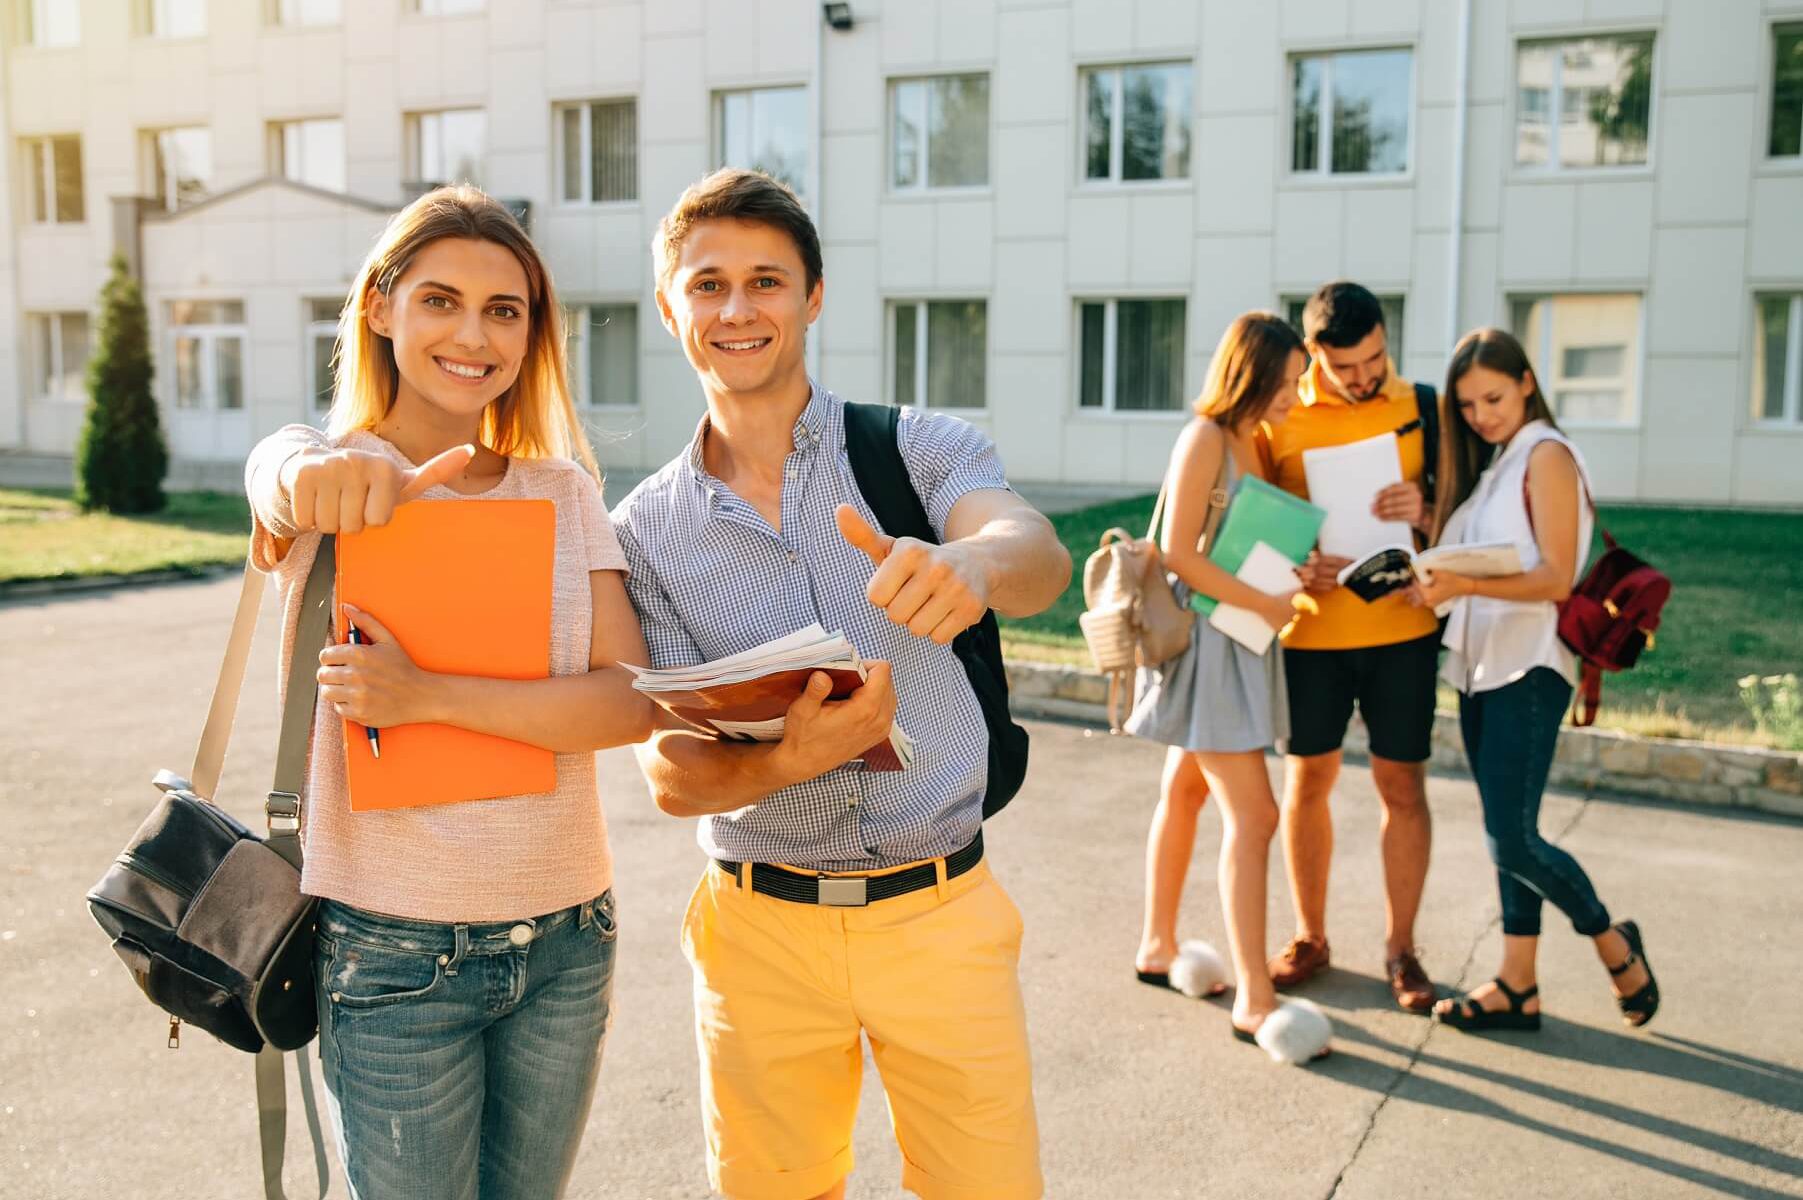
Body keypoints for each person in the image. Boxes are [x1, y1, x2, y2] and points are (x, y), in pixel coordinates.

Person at [611, 168, 1070, 1200]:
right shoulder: (642, 531)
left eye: (767, 281)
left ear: (813, 297)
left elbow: (1034, 551)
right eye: (709, 284)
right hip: (757, 933)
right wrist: (789, 758)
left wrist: (976, 567)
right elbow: (673, 776)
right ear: (669, 307)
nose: (737, 309)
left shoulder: (917, 447)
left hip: (939, 914)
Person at [242, 186, 653, 1199]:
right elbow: (274, 472)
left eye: (503, 310)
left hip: (567, 939)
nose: (473, 334)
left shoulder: (562, 491)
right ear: (380, 306)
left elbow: (628, 701)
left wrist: (426, 695)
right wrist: (299, 462)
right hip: (390, 955)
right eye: (440, 300)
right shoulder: (333, 480)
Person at [1412, 327, 1658, 1032]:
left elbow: (1553, 576)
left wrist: (1454, 578)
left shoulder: (1546, 454)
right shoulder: (1500, 462)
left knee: (1512, 840)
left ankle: (1615, 945)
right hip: (1483, 663)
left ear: (1525, 382)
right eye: (1465, 406)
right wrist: (1427, 526)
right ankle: (1516, 986)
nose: (1481, 414)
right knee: (1503, 829)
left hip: (1528, 665)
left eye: (1492, 396)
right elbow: (1497, 552)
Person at [1127, 311, 1329, 1057]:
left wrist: (1291, 574)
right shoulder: (1206, 436)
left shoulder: (1253, 441)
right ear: (1250, 374)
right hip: (1213, 644)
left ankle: (1155, 944)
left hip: (1236, 638)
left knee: (1184, 791)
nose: (1294, 394)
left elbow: (1236, 544)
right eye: (1285, 382)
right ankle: (1253, 992)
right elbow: (1178, 553)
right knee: (1257, 815)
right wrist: (1269, 602)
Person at [1253, 280, 1440, 1012]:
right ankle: (1309, 936)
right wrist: (1299, 561)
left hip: (1404, 632)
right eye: (1345, 368)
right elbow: (1255, 528)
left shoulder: (1422, 405)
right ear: (1313, 357)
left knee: (1403, 789)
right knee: (1307, 784)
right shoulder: (1282, 416)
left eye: (1373, 360)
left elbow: (1463, 510)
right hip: (1312, 631)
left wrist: (1424, 509)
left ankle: (1401, 949)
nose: (1363, 378)